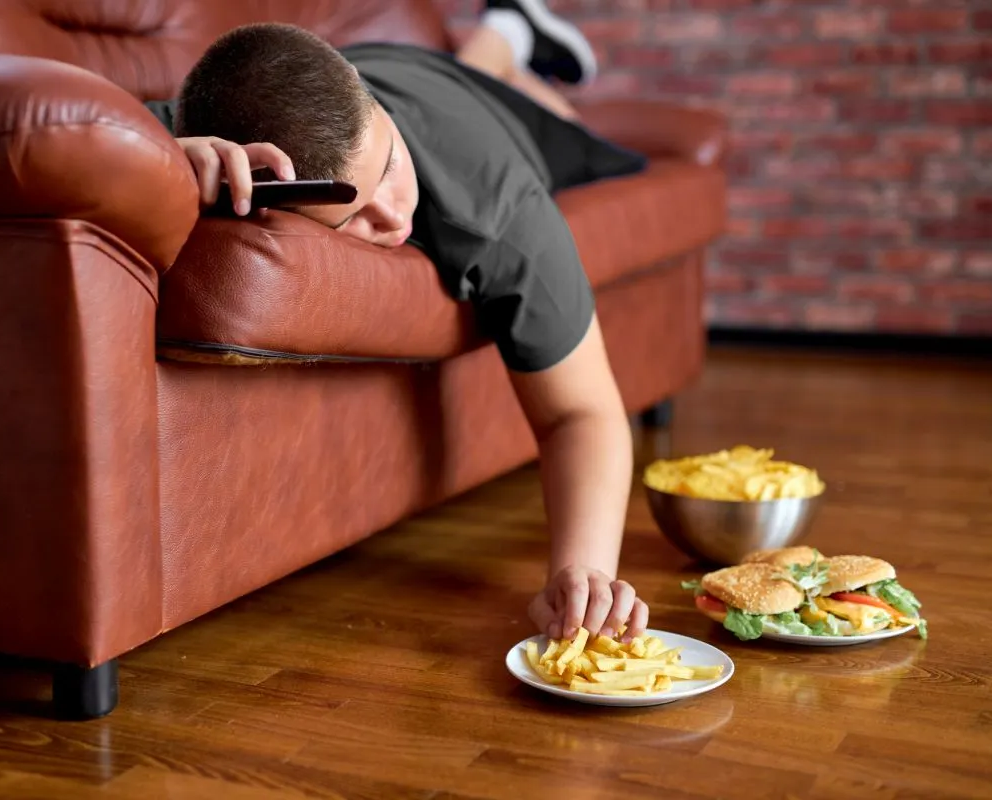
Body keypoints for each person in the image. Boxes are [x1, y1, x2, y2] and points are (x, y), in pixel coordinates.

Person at [146, 0, 652, 643]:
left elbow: (581, 412)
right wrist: (163, 161)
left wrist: (583, 570)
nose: (391, 215)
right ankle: (507, 30)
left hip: (486, 112)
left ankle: (508, 42)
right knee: (462, 80)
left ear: (364, 102)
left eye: (387, 166)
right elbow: (79, 133)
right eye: (351, 216)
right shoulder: (219, 136)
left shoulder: (499, 216)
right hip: (403, 75)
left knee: (553, 112)